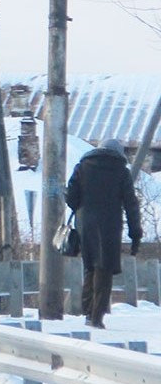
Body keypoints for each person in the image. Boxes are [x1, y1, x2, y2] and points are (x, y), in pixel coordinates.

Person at [64, 138, 143, 329]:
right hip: (110, 226)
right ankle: (96, 316)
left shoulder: (83, 166)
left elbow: (71, 197)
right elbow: (131, 205)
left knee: (90, 265)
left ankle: (88, 311)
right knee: (104, 268)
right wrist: (135, 235)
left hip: (86, 223)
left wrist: (82, 206)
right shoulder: (121, 171)